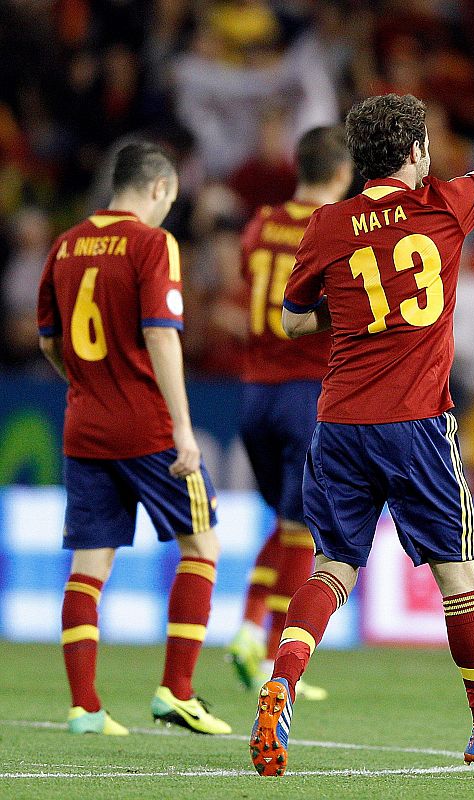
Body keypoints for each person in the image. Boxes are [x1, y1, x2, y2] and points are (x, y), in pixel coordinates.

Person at [250, 36, 474, 777]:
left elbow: (290, 319)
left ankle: (280, 678)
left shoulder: (326, 226)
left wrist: (350, 313)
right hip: (414, 424)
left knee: (332, 568)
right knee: (460, 579)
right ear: (411, 152)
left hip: (340, 423)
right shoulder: (443, 206)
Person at [37, 141, 231, 736]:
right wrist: (181, 426)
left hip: (85, 427)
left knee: (88, 569)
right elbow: (162, 335)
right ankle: (176, 691)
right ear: (157, 189)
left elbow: (49, 340)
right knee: (202, 548)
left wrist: (89, 386)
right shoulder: (153, 244)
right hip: (147, 428)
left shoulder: (65, 245)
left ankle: (85, 707)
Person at [227, 126, 353, 700]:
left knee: (286, 517)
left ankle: (251, 630)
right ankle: (280, 657)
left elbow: (251, 280)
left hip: (254, 389)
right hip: (306, 387)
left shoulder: (260, 222)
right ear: (342, 173)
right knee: (304, 524)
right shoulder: (333, 228)